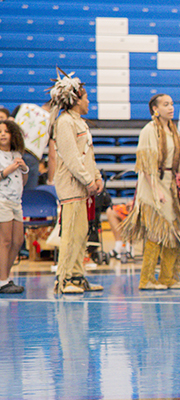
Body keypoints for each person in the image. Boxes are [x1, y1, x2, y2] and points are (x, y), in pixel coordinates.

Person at [120, 94, 180, 290]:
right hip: (153, 184)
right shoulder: (149, 130)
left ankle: (167, 277)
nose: (171, 107)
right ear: (155, 109)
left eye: (172, 104)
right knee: (156, 232)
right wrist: (156, 191)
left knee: (172, 231)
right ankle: (146, 279)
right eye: (166, 105)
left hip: (171, 184)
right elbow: (146, 165)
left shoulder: (172, 130)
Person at [48, 69, 104, 294]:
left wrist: (97, 177)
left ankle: (78, 276)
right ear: (76, 99)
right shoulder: (65, 123)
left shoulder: (80, 122)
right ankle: (63, 279)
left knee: (82, 233)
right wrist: (88, 180)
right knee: (70, 234)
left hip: (84, 187)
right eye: (87, 97)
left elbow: (87, 155)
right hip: (72, 186)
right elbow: (71, 157)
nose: (89, 101)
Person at [0, 120, 28, 294]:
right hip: (1, 200)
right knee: (5, 240)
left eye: (6, 131)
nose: (2, 134)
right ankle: (2, 280)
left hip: (16, 202)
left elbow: (22, 182)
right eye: (0, 131)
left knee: (17, 241)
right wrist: (8, 170)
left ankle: (5, 275)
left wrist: (23, 169)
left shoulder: (16, 154)